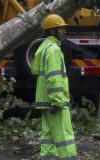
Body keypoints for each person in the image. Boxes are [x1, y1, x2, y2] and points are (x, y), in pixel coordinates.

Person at [32, 13, 76, 159]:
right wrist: (57, 101)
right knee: (64, 136)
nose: (64, 31)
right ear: (52, 31)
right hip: (55, 102)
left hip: (46, 101)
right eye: (61, 29)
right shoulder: (54, 50)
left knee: (49, 138)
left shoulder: (45, 48)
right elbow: (54, 78)